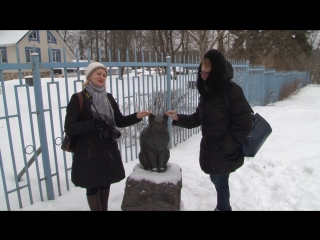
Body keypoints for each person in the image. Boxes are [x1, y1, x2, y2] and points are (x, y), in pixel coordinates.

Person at [165, 49, 252, 211]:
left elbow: (244, 123)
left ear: (216, 72)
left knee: (220, 181)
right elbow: (197, 118)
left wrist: (226, 146)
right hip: (212, 149)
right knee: (217, 178)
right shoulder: (207, 93)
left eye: (207, 73)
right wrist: (178, 118)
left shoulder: (232, 91)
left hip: (225, 150)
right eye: (201, 72)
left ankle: (223, 208)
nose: (202, 76)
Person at [64, 62, 152, 211]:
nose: (102, 77)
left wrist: (136, 116)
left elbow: (119, 121)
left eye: (104, 75)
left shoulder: (108, 98)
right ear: (90, 76)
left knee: (105, 182)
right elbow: (70, 127)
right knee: (92, 185)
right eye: (98, 73)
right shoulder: (78, 98)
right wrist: (94, 124)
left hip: (107, 148)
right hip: (88, 151)